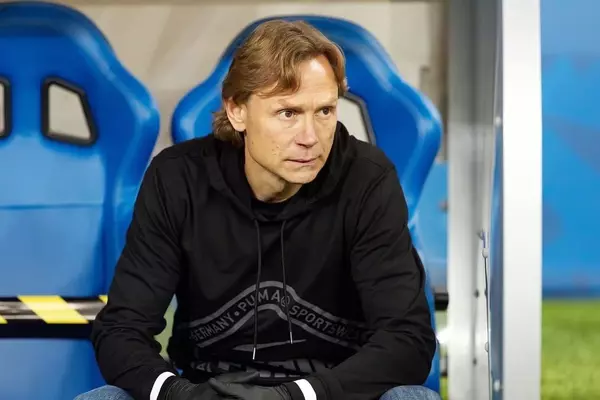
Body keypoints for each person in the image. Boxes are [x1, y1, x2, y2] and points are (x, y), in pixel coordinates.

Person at [76, 19, 440, 400]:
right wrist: (179, 394)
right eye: (288, 113)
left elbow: (408, 339)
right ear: (237, 110)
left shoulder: (366, 179)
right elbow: (121, 330)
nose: (310, 137)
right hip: (205, 391)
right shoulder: (178, 179)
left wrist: (296, 396)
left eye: (325, 111)